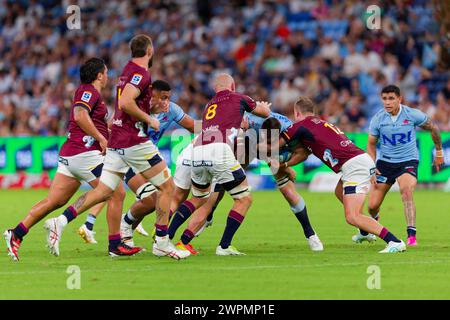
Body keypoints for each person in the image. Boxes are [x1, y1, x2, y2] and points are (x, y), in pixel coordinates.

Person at [43, 34, 188, 259]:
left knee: (103, 191)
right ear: (149, 51)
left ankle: (60, 222)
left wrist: (149, 110)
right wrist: (149, 119)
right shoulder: (142, 73)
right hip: (134, 140)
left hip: (118, 140)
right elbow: (126, 102)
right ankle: (162, 242)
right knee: (167, 188)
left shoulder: (126, 71)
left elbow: (128, 103)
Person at [3, 57, 123, 261]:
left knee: (53, 201)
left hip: (71, 155)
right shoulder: (89, 91)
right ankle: (114, 244)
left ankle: (16, 233)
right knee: (115, 192)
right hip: (84, 155)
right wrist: (101, 138)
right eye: (106, 72)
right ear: (99, 75)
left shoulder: (93, 94)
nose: (108, 76)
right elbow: (79, 116)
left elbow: (91, 120)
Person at [167, 112, 324, 253]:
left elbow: (303, 152)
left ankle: (310, 234)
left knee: (288, 192)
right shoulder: (249, 122)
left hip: (274, 154)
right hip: (243, 149)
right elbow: (255, 148)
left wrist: (285, 165)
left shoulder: (290, 130)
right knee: (217, 191)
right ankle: (198, 231)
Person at [279, 97, 406, 253]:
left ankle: (394, 241)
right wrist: (285, 165)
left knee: (352, 216)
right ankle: (365, 233)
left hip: (355, 167)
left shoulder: (301, 126)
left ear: (296, 113)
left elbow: (274, 144)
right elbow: (304, 154)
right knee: (339, 192)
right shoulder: (320, 124)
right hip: (358, 161)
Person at [173, 73, 271, 256]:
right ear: (232, 86)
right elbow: (264, 113)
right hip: (220, 153)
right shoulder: (239, 98)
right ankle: (224, 246)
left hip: (199, 150)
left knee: (199, 200)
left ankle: (168, 239)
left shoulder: (209, 105)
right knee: (244, 199)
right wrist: (264, 107)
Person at [352, 85, 444, 246]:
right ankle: (373, 222)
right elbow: (371, 144)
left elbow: (433, 127)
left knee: (406, 190)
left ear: (399, 99)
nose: (387, 102)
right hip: (385, 163)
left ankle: (411, 236)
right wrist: (372, 167)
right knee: (372, 206)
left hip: (408, 161)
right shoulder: (378, 119)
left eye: (391, 98)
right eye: (384, 98)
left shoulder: (412, 114)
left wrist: (439, 152)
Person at [117, 80, 196, 247]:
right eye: (164, 97)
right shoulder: (136, 106)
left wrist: (218, 126)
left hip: (149, 159)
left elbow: (193, 125)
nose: (167, 102)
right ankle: (125, 226)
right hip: (129, 158)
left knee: (157, 198)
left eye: (168, 97)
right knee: (150, 199)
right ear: (153, 95)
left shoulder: (172, 110)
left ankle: (125, 236)